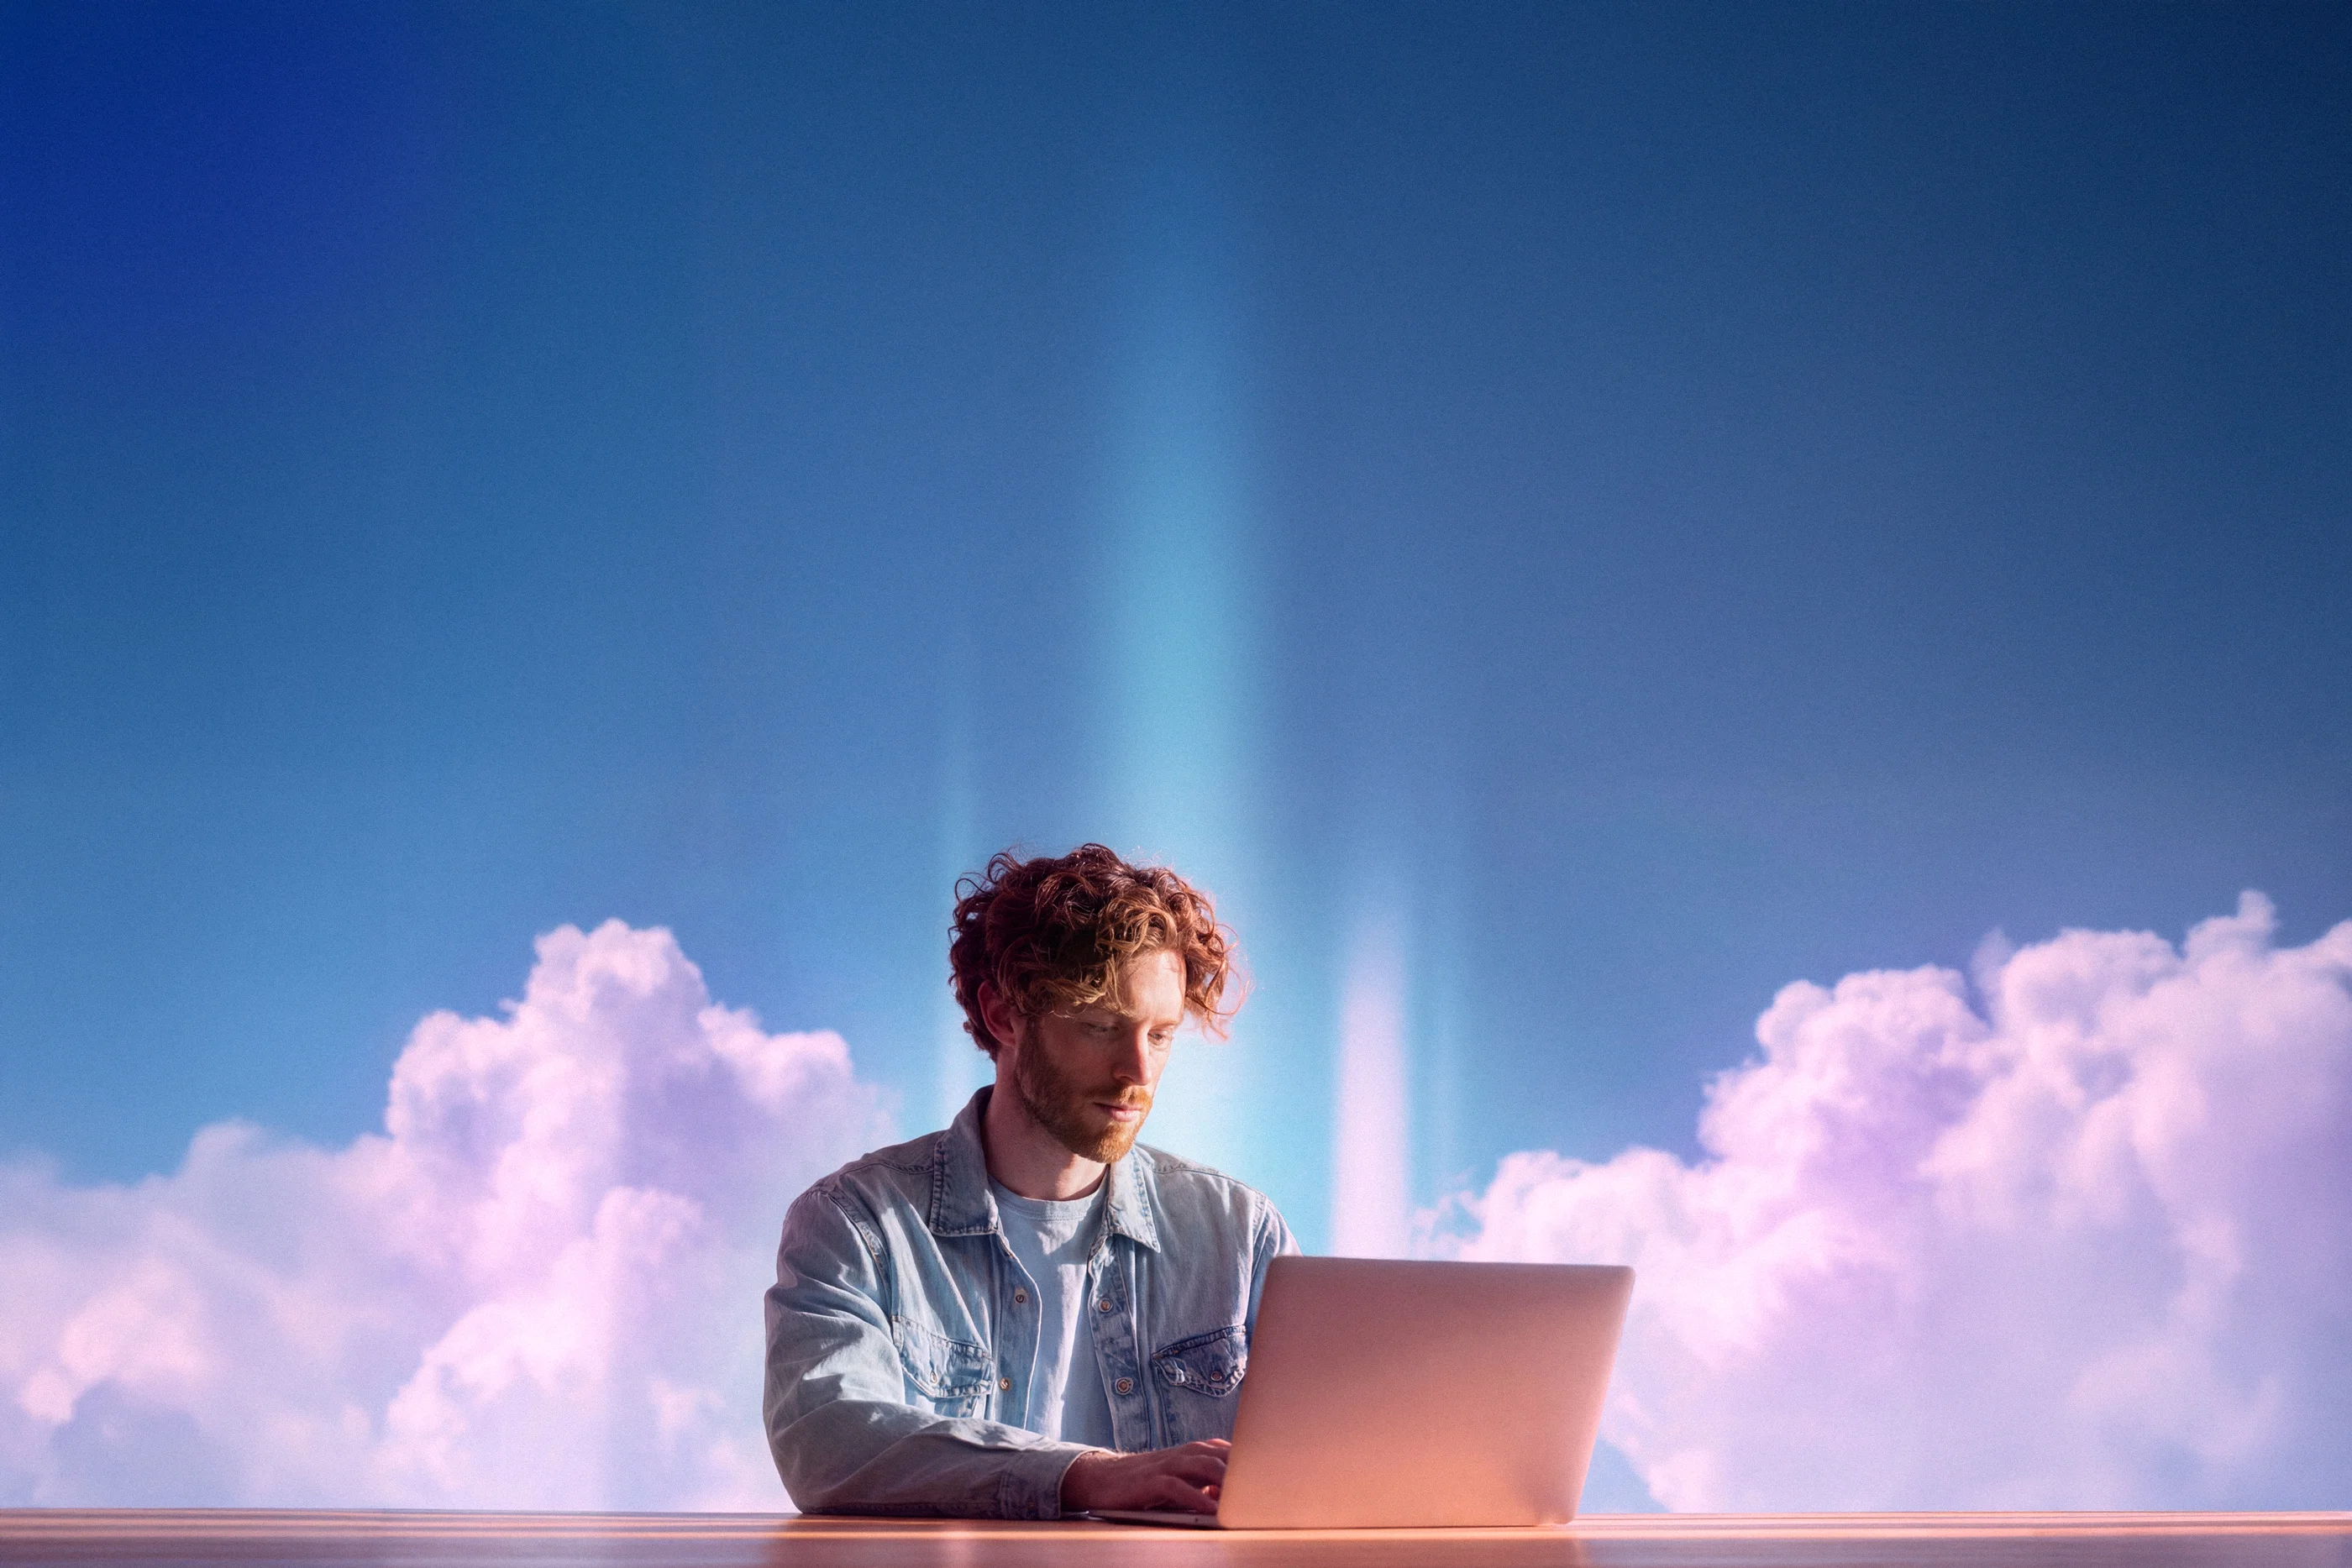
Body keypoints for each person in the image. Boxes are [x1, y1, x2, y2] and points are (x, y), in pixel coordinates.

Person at [763, 844, 1297, 1518]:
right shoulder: (857, 1224)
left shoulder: (1242, 1232)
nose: (1139, 1069)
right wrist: (1082, 1475)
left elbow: (1332, 1456)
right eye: (1101, 1025)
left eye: (1160, 1035)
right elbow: (827, 1438)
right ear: (1004, 1015)